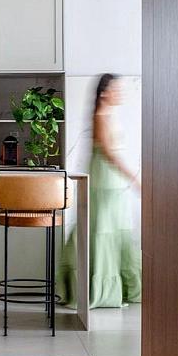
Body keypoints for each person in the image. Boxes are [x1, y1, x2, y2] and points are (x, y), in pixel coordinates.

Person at [58, 73, 141, 308]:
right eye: (116, 89)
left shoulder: (109, 116)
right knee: (101, 230)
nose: (120, 93)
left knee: (114, 230)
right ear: (104, 93)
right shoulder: (100, 117)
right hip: (104, 182)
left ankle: (122, 287)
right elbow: (109, 154)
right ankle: (95, 289)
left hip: (112, 183)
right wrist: (134, 178)